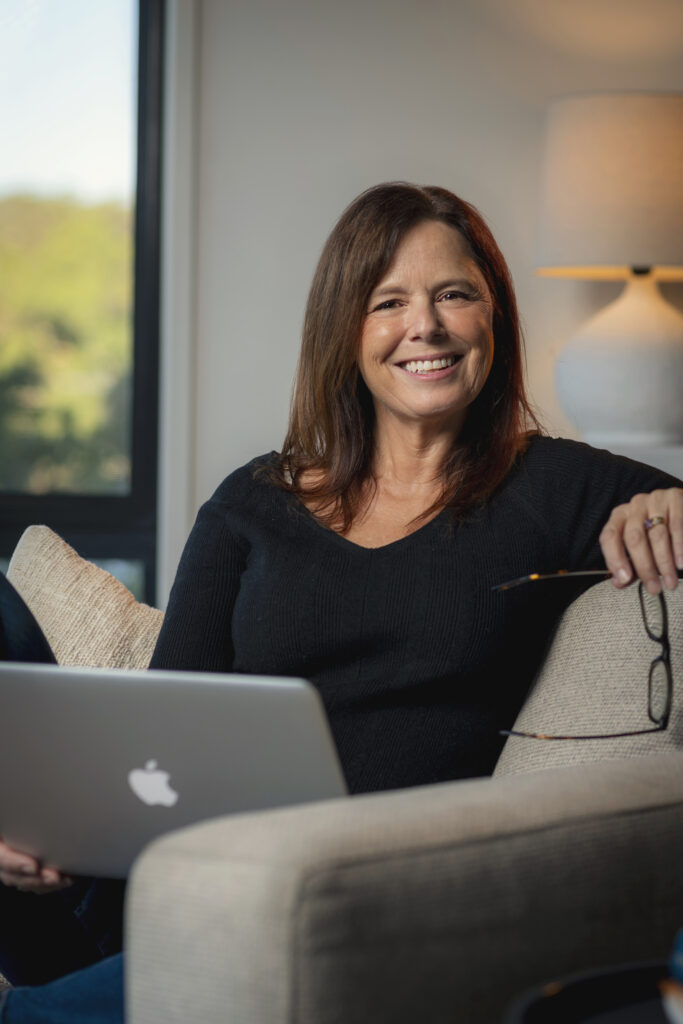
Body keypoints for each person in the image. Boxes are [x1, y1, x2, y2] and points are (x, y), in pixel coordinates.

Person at [1, 181, 681, 1022]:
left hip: (339, 911)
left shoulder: (553, 485)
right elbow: (166, 720)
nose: (423, 326)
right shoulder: (251, 502)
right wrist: (53, 829)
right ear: (345, 333)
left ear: (493, 319)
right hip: (163, 885)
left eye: (454, 295)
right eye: (386, 302)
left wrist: (673, 502)